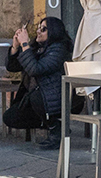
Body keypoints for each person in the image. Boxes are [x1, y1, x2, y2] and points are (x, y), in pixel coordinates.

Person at [4, 16, 74, 149]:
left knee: (36, 96)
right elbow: (12, 67)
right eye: (38, 28)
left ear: (54, 31)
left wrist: (25, 45)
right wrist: (15, 47)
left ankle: (55, 130)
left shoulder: (59, 49)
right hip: (37, 98)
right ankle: (55, 125)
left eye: (43, 29)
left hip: (56, 97)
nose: (38, 31)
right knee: (10, 117)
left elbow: (35, 69)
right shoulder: (37, 48)